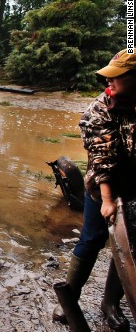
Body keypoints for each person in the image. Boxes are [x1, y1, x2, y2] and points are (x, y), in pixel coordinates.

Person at [52, 49, 136, 331]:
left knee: (124, 247)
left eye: (117, 77)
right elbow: (102, 159)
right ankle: (68, 300)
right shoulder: (98, 109)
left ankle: (110, 305)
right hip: (102, 187)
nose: (108, 82)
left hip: (134, 188)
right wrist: (108, 198)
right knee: (91, 238)